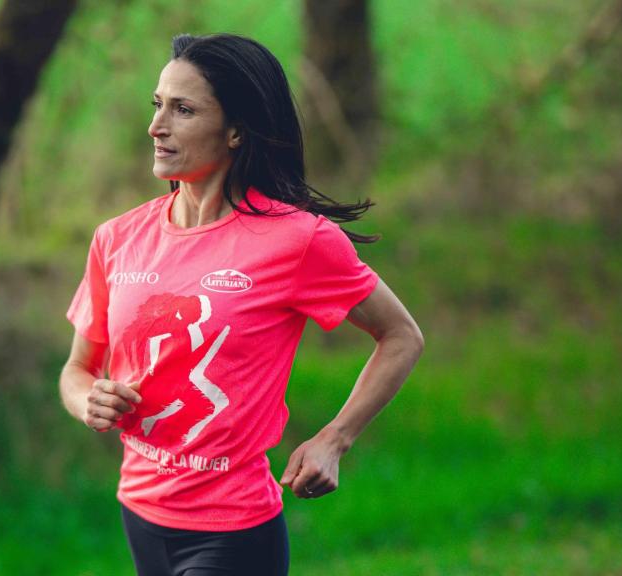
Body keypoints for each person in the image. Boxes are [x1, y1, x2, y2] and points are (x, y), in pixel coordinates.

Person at [59, 33, 424, 576]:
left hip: (232, 530)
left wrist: (334, 439)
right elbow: (77, 370)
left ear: (235, 131)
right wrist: (89, 400)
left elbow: (401, 337)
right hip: (140, 509)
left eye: (183, 110)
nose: (156, 127)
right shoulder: (117, 238)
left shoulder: (298, 240)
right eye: (157, 105)